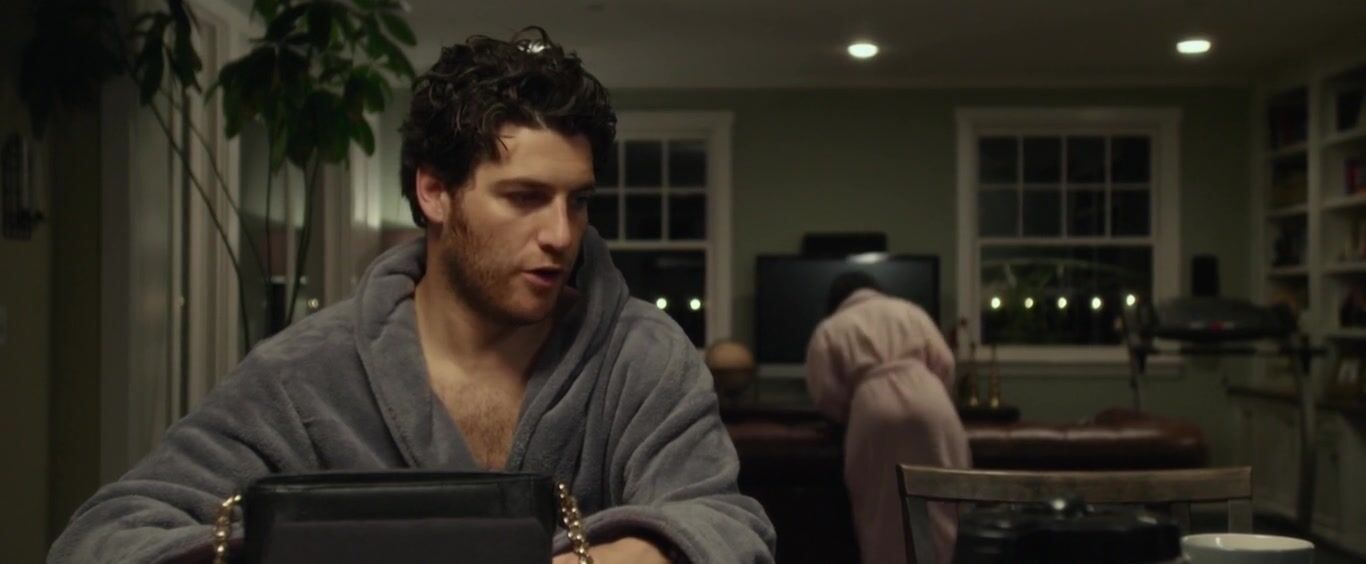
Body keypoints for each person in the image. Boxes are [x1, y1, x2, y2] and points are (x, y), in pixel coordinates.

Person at [49, 28, 775, 564]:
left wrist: (632, 552)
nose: (562, 234)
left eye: (577, 201)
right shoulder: (306, 373)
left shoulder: (640, 356)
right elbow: (104, 538)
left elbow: (728, 527)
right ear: (434, 192)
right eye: (524, 197)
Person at [804, 272, 970, 564]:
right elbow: (945, 363)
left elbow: (825, 393)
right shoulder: (911, 312)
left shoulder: (830, 328)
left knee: (881, 509)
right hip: (931, 399)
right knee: (945, 498)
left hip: (873, 407)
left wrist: (851, 412)